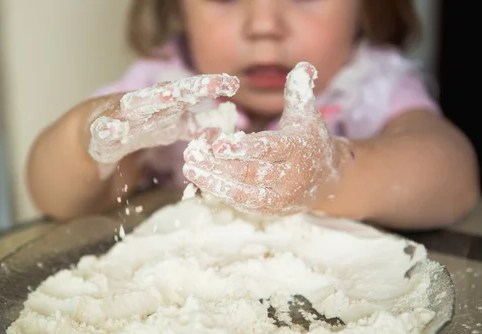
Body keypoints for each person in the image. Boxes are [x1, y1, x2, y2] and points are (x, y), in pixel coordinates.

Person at [26, 0, 479, 230]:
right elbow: (56, 198)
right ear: (177, 10)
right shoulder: (159, 89)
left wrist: (331, 173)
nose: (263, 25)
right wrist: (87, 138)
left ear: (368, 7)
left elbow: (455, 180)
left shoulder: (372, 86)